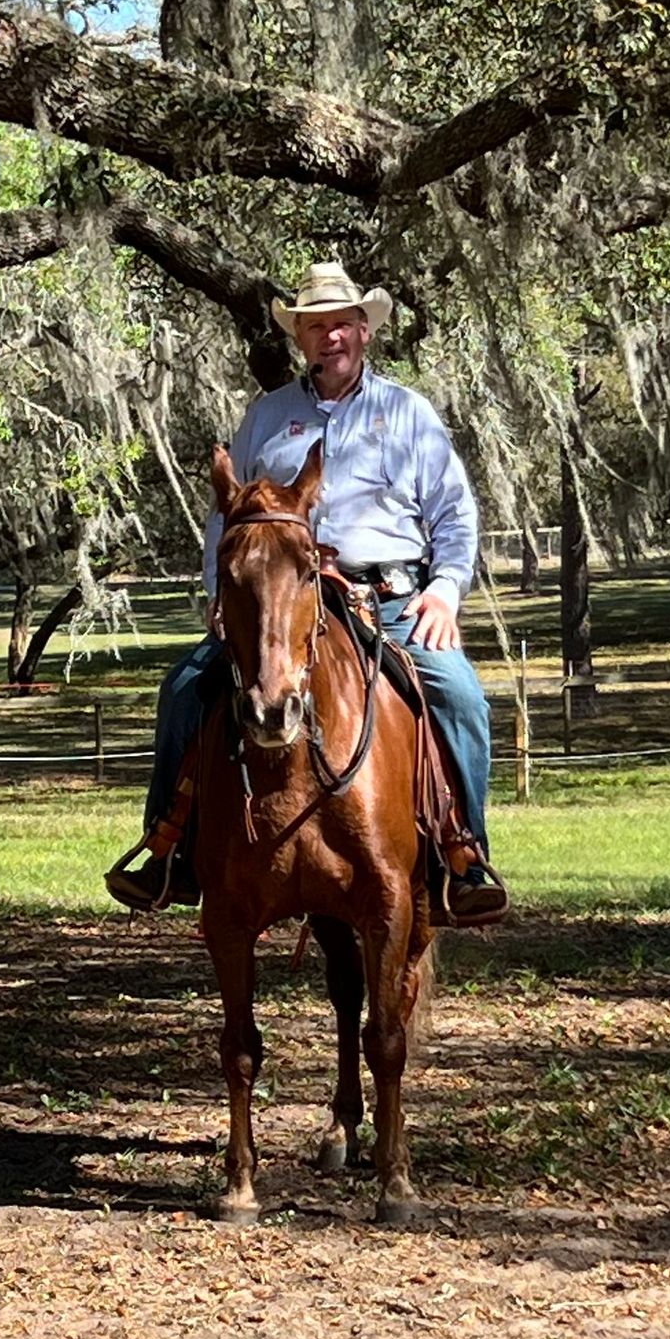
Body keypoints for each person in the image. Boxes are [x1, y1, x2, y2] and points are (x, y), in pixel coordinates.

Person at [106, 260, 507, 923]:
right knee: (182, 689)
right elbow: (226, 520)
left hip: (390, 598)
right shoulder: (268, 417)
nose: (330, 339)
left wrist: (444, 592)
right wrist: (218, 594)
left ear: (363, 331)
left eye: (341, 326)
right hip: (281, 602)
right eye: (316, 328)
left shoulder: (408, 413)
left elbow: (454, 515)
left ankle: (465, 854)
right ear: (301, 339)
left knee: (459, 694)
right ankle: (168, 849)